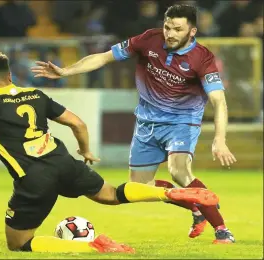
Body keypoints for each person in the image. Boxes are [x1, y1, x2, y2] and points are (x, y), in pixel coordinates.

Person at [0, 52, 219, 253]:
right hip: (64, 162)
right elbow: (77, 122)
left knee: (18, 243)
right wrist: (86, 150)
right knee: (111, 194)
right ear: (10, 74)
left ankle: (89, 245)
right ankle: (167, 194)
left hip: (33, 177)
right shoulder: (36, 95)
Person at [31, 4, 237, 244]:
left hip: (182, 122)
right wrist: (66, 71)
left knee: (179, 170)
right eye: (167, 26)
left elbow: (219, 101)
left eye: (177, 29)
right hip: (146, 124)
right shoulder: (149, 39)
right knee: (139, 187)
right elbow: (104, 57)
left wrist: (219, 139)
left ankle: (222, 229)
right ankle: (196, 205)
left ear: (192, 31)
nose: (170, 33)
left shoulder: (203, 58)